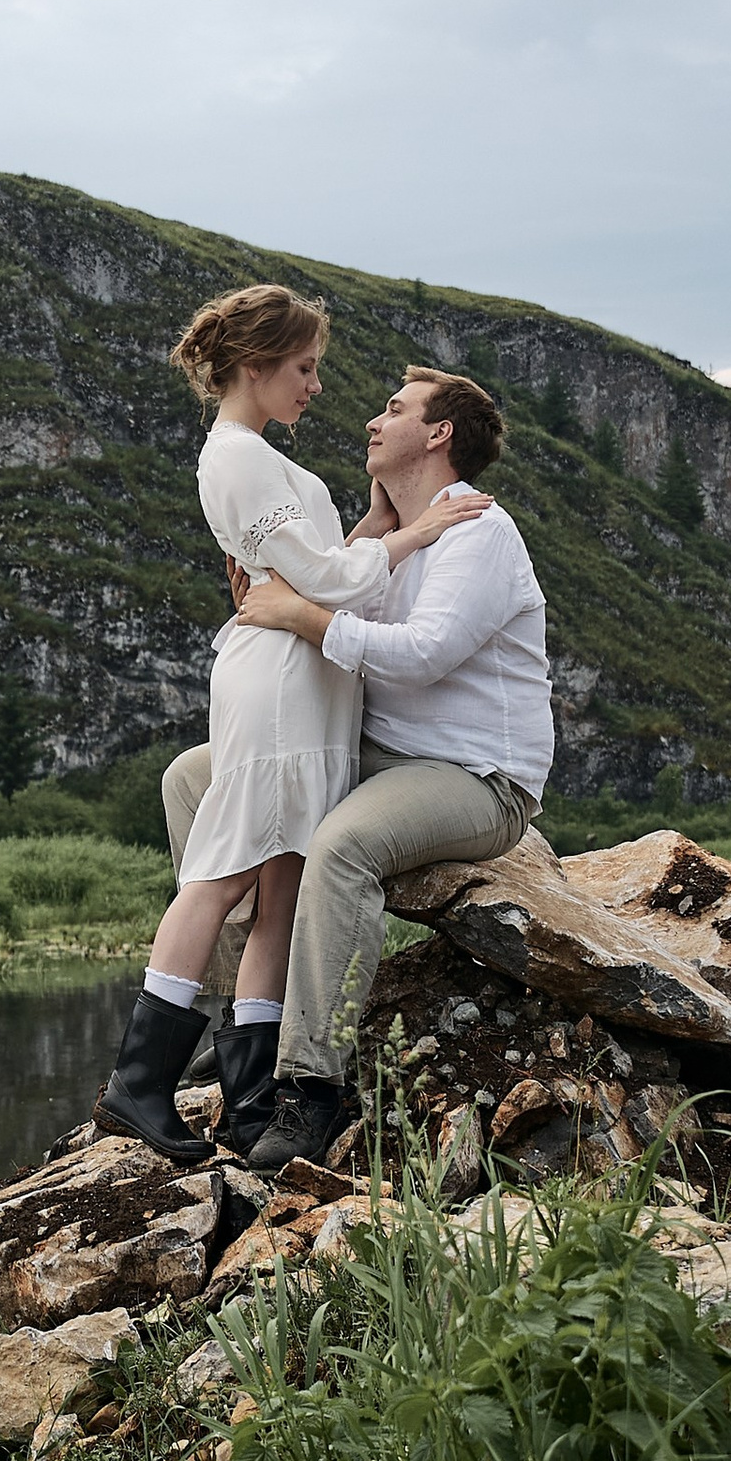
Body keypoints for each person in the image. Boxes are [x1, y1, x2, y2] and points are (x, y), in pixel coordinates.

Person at [92, 286, 465, 1161]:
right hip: (276, 686)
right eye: (304, 368)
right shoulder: (235, 458)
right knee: (222, 874)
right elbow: (326, 582)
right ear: (256, 367)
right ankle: (137, 1085)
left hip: (311, 686)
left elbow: (320, 564)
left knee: (282, 892)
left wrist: (375, 518)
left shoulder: (260, 454)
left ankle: (253, 1101)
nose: (316, 386)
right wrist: (418, 532)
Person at [159, 363, 552, 1169]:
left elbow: (421, 656)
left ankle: (312, 1088)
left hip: (477, 776)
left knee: (341, 845)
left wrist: (298, 610)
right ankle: (248, 1028)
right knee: (193, 781)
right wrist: (339, 555)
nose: (375, 419)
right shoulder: (389, 537)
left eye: (396, 408)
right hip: (380, 755)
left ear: (439, 435)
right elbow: (299, 599)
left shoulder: (477, 531)